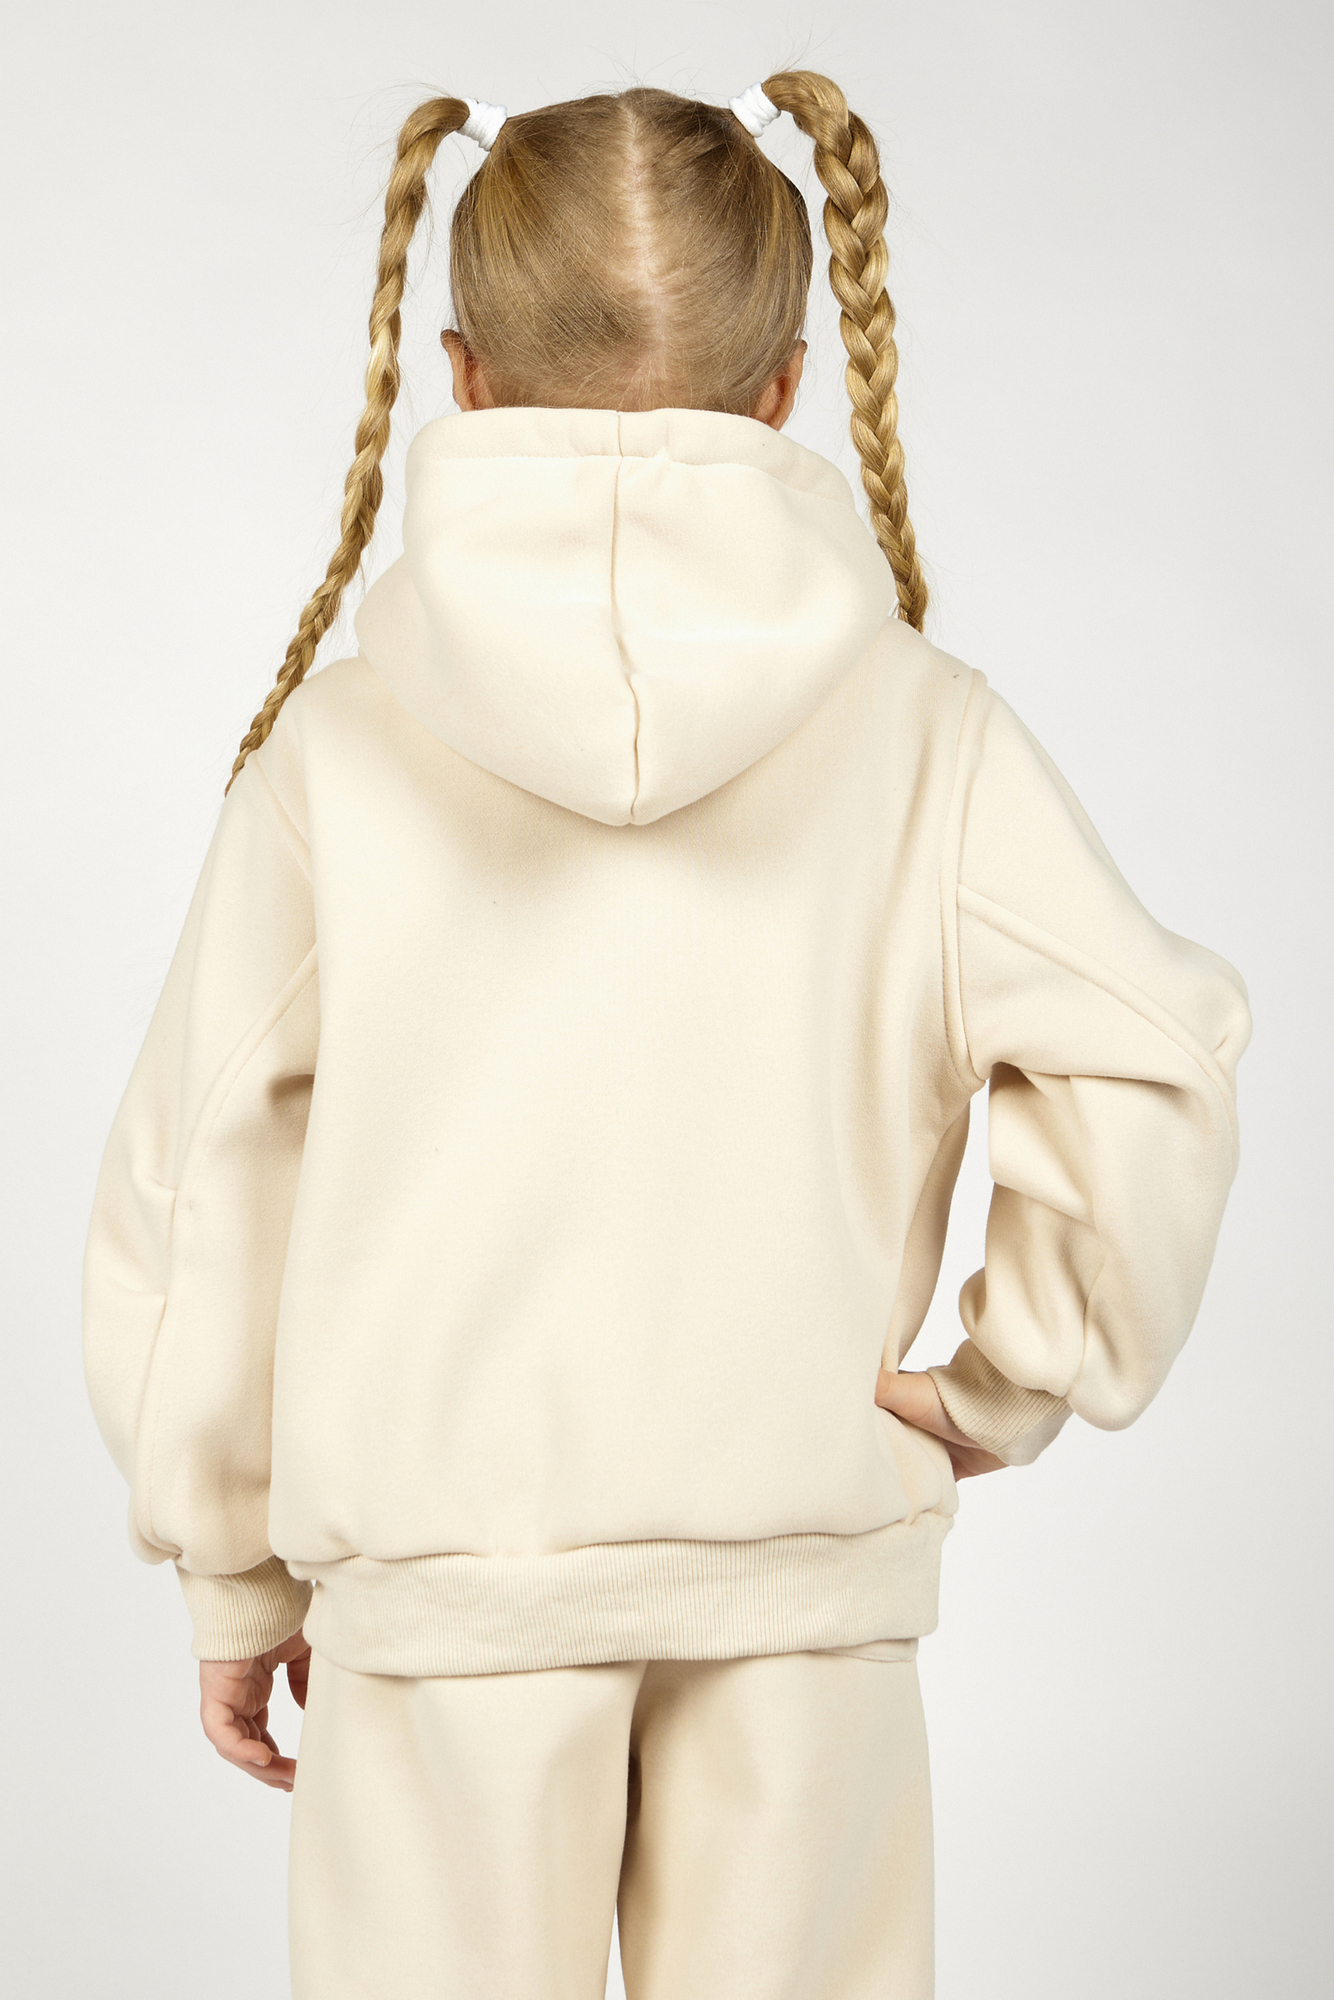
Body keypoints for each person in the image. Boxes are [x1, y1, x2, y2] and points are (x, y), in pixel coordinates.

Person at [81, 72, 1251, 1999]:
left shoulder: (338, 758)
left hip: (445, 1606)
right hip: (802, 1591)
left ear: (461, 376)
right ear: (784, 387)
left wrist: (232, 1562)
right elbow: (1153, 1061)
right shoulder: (926, 734)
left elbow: (200, 1176)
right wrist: (1013, 1374)